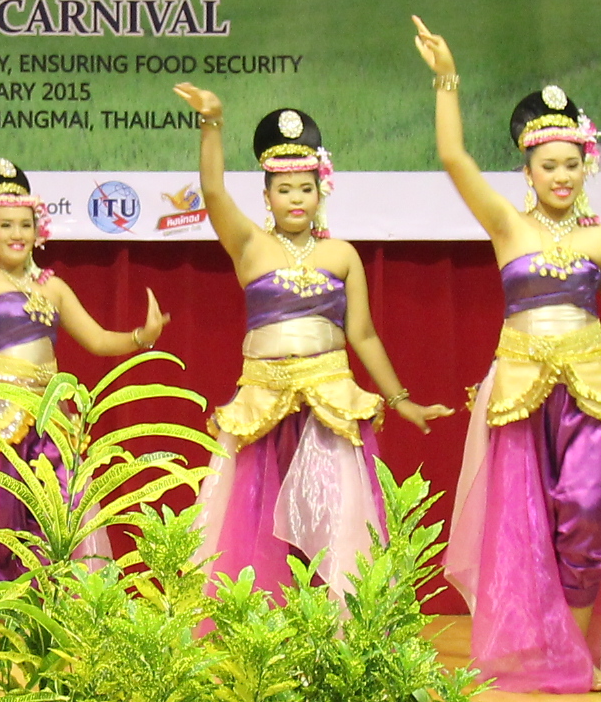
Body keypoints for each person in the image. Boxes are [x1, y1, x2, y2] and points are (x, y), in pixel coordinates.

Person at [413, 25, 601, 691]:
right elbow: (453, 157)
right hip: (521, 391)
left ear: (587, 167)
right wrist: (446, 77)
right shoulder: (507, 226)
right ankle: (538, 649)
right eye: (548, 165)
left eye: (572, 164)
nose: (561, 175)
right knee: (524, 523)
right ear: (527, 171)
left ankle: (575, 652)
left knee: (586, 508)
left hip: (593, 392)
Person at [170, 87, 449, 596]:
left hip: (330, 404)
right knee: (257, 534)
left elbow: (362, 334)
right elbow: (212, 191)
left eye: (305, 188)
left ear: (321, 192)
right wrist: (212, 123)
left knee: (334, 526)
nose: (296, 199)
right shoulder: (249, 246)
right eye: (284, 189)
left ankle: (332, 635)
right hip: (262, 407)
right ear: (267, 196)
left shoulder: (342, 255)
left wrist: (401, 400)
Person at [0, 135, 168, 580]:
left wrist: (142, 336)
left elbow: (98, 340)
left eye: (25, 225)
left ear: (37, 230)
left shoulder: (54, 287)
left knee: (53, 525)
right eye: (6, 225)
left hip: (49, 418)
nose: (17, 234)